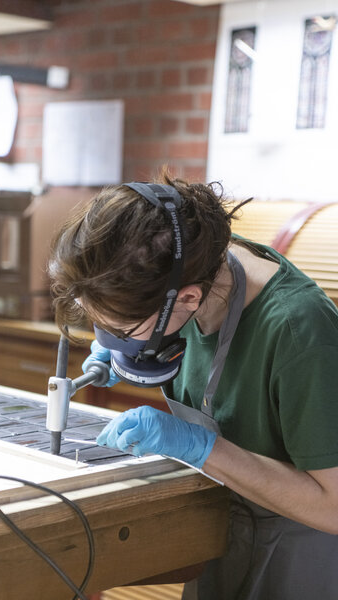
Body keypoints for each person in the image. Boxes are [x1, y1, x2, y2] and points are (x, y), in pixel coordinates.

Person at [49, 171, 338, 600]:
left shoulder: (298, 331)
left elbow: (333, 507)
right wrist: (130, 345)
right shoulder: (195, 271)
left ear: (187, 299)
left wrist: (202, 447)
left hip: (297, 553)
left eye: (121, 328)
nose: (108, 336)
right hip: (222, 528)